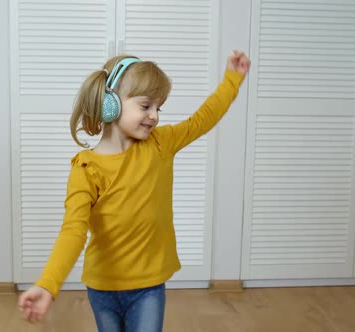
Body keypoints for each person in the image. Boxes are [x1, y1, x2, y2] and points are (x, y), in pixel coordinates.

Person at [18, 50, 251, 332]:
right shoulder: (86, 168)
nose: (154, 116)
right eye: (146, 105)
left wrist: (232, 79)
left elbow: (203, 118)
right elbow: (73, 231)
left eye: (158, 108)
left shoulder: (161, 144)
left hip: (148, 286)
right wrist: (47, 285)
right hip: (102, 288)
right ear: (111, 104)